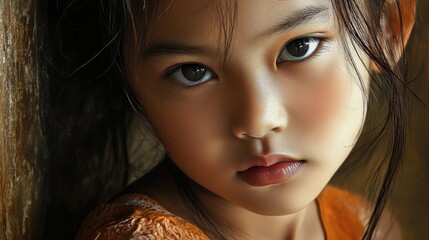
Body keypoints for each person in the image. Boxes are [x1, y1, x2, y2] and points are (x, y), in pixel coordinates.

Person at [45, 0, 420, 239]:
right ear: (127, 81)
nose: (258, 120)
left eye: (298, 48)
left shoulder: (365, 226)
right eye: (192, 72)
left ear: (385, 28)